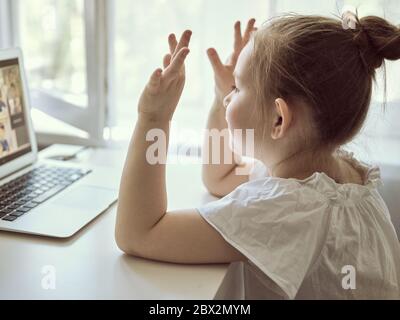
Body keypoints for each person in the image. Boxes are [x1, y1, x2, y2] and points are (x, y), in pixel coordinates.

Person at [115, 12, 400, 299]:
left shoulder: (285, 209)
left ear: (278, 119)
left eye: (237, 89)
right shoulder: (344, 179)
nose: (229, 97)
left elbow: (140, 233)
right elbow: (220, 176)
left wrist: (153, 118)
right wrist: (220, 99)